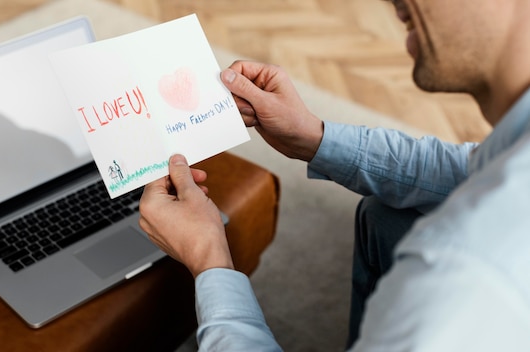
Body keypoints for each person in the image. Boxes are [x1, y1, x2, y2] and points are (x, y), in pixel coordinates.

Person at [139, 0, 530, 350]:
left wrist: (210, 260)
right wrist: (313, 137)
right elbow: (469, 169)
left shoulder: (464, 272)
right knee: (385, 218)